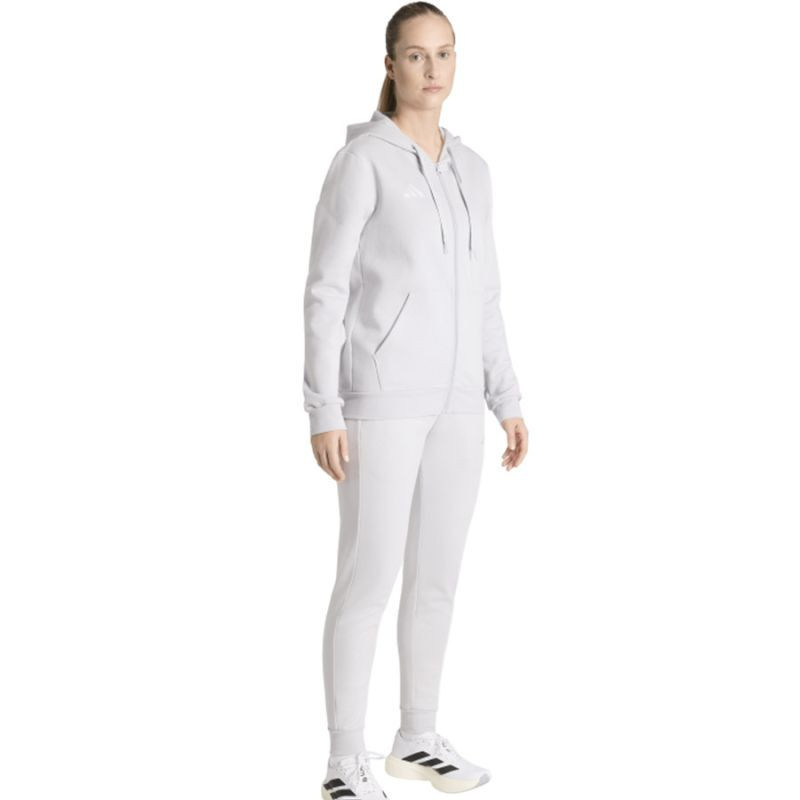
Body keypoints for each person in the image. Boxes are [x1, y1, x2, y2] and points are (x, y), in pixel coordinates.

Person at [303, 4, 529, 797]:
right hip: (383, 401)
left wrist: (505, 395)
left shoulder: (473, 169)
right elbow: (325, 291)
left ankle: (417, 738)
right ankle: (343, 760)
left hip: (459, 404)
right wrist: (324, 408)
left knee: (437, 579)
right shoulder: (363, 162)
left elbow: (486, 293)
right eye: (416, 55)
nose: (433, 70)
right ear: (391, 64)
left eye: (445, 53)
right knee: (367, 578)